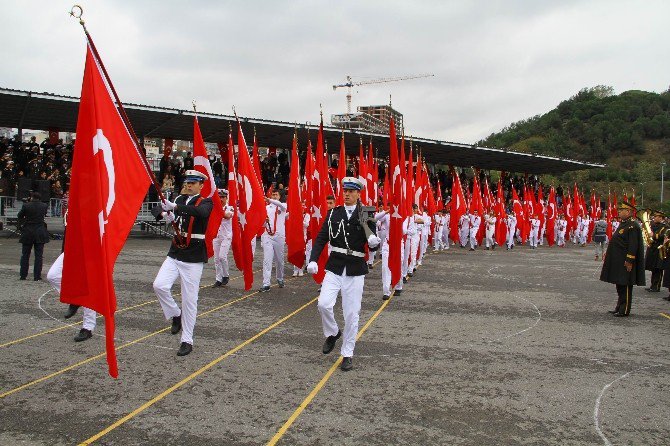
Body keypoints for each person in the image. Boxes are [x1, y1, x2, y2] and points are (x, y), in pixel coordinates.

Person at [306, 177, 380, 371]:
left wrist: (374, 243)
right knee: (323, 304)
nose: (346, 194)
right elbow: (322, 238)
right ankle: (333, 332)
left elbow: (373, 240)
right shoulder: (333, 214)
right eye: (345, 190)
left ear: (358, 193)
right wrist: (313, 259)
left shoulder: (366, 213)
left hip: (355, 269)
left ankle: (347, 353)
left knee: (351, 313)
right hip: (335, 265)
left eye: (350, 191)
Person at [152, 170, 213, 356]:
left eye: (193, 183)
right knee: (159, 285)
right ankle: (175, 315)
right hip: (175, 252)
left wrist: (175, 209)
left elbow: (201, 213)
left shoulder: (206, 202)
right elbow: (158, 210)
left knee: (189, 299)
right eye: (187, 182)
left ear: (201, 185)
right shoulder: (178, 199)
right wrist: (165, 215)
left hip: (193, 257)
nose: (188, 185)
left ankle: (187, 339)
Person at [600, 201, 645, 317]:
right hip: (618, 260)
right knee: (620, 284)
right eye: (619, 210)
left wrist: (629, 261)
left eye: (621, 210)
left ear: (629, 212)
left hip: (625, 261)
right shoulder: (624, 223)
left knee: (625, 284)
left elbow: (633, 245)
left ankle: (624, 309)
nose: (619, 211)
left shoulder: (632, 225)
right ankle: (619, 307)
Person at [17, 191, 50, 281]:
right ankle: (37, 276)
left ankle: (23, 275)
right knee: (39, 255)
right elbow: (44, 214)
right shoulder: (44, 206)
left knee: (25, 255)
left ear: (32, 197)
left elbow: (19, 215)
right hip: (39, 231)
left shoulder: (26, 205)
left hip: (28, 231)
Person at [260, 190, 287, 292]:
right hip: (268, 235)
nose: (274, 196)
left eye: (276, 195)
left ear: (280, 196)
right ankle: (266, 283)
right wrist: (264, 221)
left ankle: (280, 278)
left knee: (279, 261)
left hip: (279, 236)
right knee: (267, 260)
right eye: (273, 194)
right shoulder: (266, 208)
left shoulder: (283, 206)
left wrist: (269, 200)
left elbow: (279, 204)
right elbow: (261, 224)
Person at [212, 189, 235, 287]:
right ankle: (218, 279)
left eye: (223, 197)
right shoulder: (214, 208)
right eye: (219, 197)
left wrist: (217, 210)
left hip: (226, 236)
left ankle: (225, 275)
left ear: (226, 198)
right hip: (216, 235)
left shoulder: (230, 208)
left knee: (222, 256)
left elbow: (228, 216)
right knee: (216, 259)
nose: (221, 199)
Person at [644, 210, 667, 292]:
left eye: (656, 217)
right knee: (653, 268)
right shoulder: (652, 225)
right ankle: (652, 285)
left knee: (658, 268)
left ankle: (656, 286)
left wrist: (653, 235)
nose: (654, 218)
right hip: (652, 249)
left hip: (659, 250)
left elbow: (663, 236)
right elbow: (647, 233)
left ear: (661, 218)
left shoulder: (665, 226)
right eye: (654, 216)